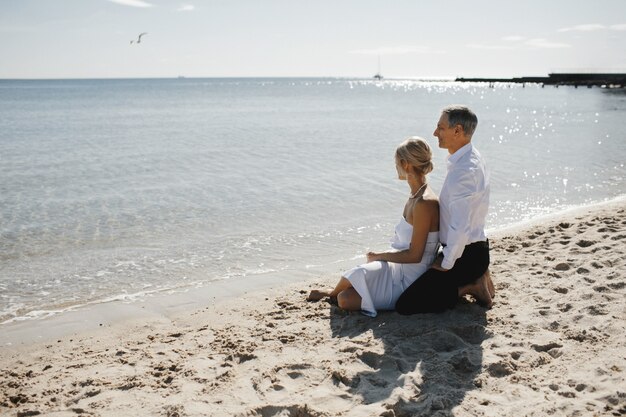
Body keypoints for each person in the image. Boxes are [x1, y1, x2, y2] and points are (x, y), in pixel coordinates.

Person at [307, 137, 440, 317]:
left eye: (396, 163)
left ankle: (333, 295)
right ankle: (331, 293)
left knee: (345, 299)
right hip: (395, 268)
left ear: (405, 164)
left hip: (408, 281)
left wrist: (379, 256)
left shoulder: (425, 203)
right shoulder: (414, 196)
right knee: (353, 274)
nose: (395, 167)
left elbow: (415, 256)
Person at [395, 105, 494, 315]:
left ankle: (472, 286)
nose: (434, 133)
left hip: (465, 255)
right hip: (473, 248)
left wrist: (446, 262)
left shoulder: (464, 171)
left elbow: (460, 226)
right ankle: (480, 273)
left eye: (440, 128)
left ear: (457, 131)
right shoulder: (470, 157)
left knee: (407, 304)